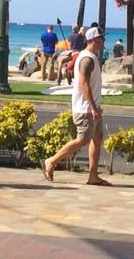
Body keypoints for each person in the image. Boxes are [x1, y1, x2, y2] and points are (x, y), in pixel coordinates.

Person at [41, 26, 109, 185]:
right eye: (101, 38)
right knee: (83, 139)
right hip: (86, 109)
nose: (103, 41)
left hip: (93, 107)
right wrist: (93, 107)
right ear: (93, 40)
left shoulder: (90, 57)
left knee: (97, 137)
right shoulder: (87, 59)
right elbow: (84, 84)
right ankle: (51, 161)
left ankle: (93, 176)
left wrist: (96, 106)